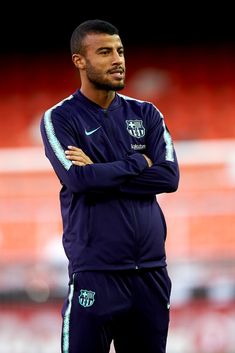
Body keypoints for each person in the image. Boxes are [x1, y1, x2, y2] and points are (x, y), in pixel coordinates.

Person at [40, 19, 179, 353]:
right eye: (104, 52)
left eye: (119, 50)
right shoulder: (60, 118)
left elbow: (168, 178)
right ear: (80, 61)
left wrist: (100, 173)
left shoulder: (146, 114)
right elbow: (77, 179)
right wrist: (136, 163)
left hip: (151, 273)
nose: (118, 59)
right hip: (96, 273)